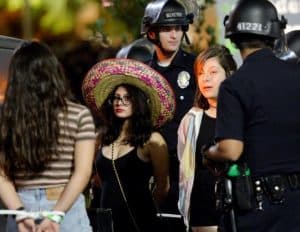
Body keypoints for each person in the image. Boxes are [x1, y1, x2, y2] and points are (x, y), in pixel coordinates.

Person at [204, 0, 300, 231]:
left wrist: (209, 152)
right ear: (275, 32)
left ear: (232, 35)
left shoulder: (235, 85)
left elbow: (231, 150)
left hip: (256, 209)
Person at [0, 41, 96, 232]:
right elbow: (83, 172)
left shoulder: (10, 117)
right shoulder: (79, 115)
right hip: (66, 206)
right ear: (54, 73)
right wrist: (56, 214)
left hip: (23, 207)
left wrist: (19, 213)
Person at [82, 58, 175, 232]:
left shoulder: (153, 140)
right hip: (105, 220)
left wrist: (146, 209)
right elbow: (98, 178)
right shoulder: (101, 137)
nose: (119, 103)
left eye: (127, 98)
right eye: (116, 98)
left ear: (138, 102)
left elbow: (163, 186)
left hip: (139, 221)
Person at [141, 1, 198, 226]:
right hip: (150, 173)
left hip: (190, 172)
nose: (174, 34)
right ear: (152, 32)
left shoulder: (197, 68)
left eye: (179, 28)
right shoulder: (142, 74)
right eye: (167, 29)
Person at [177, 45, 237, 232]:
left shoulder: (243, 115)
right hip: (202, 212)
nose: (206, 78)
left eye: (213, 72)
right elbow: (184, 164)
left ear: (229, 74)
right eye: (201, 73)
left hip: (240, 209)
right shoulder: (191, 119)